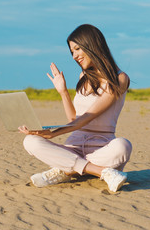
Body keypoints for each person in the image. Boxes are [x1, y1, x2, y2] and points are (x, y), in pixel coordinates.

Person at [18, 24, 132, 192]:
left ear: (92, 45)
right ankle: (100, 171)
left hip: (101, 148)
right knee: (30, 141)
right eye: (72, 51)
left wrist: (54, 133)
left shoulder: (120, 78)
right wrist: (63, 92)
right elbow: (74, 120)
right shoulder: (83, 77)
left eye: (77, 49)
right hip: (74, 146)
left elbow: (88, 116)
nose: (74, 56)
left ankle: (66, 168)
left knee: (123, 146)